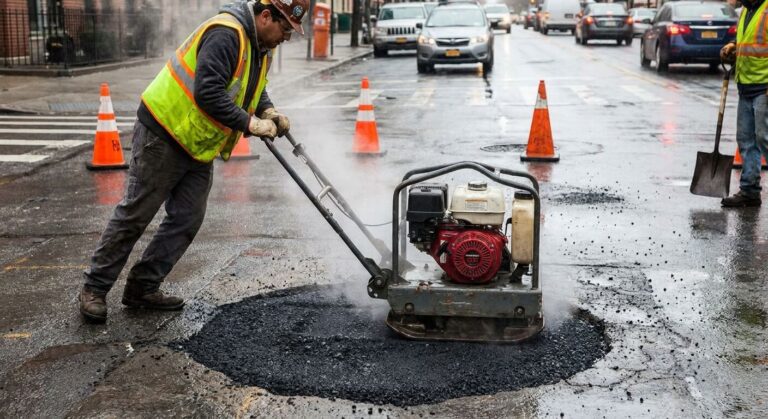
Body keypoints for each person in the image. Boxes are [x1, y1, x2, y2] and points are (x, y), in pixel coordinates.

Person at [78, 0, 308, 322]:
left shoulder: (259, 47)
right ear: (266, 15)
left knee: (187, 218)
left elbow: (252, 88)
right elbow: (208, 93)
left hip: (197, 143)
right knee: (136, 214)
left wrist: (267, 110)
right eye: (285, 29)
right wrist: (251, 124)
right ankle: (94, 289)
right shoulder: (227, 34)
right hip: (164, 131)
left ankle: (142, 288)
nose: (287, 37)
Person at [720, 0, 768, 207]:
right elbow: (751, 42)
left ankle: (749, 189)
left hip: (764, 86)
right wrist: (734, 47)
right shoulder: (747, 11)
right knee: (746, 140)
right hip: (746, 85)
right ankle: (749, 190)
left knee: (764, 138)